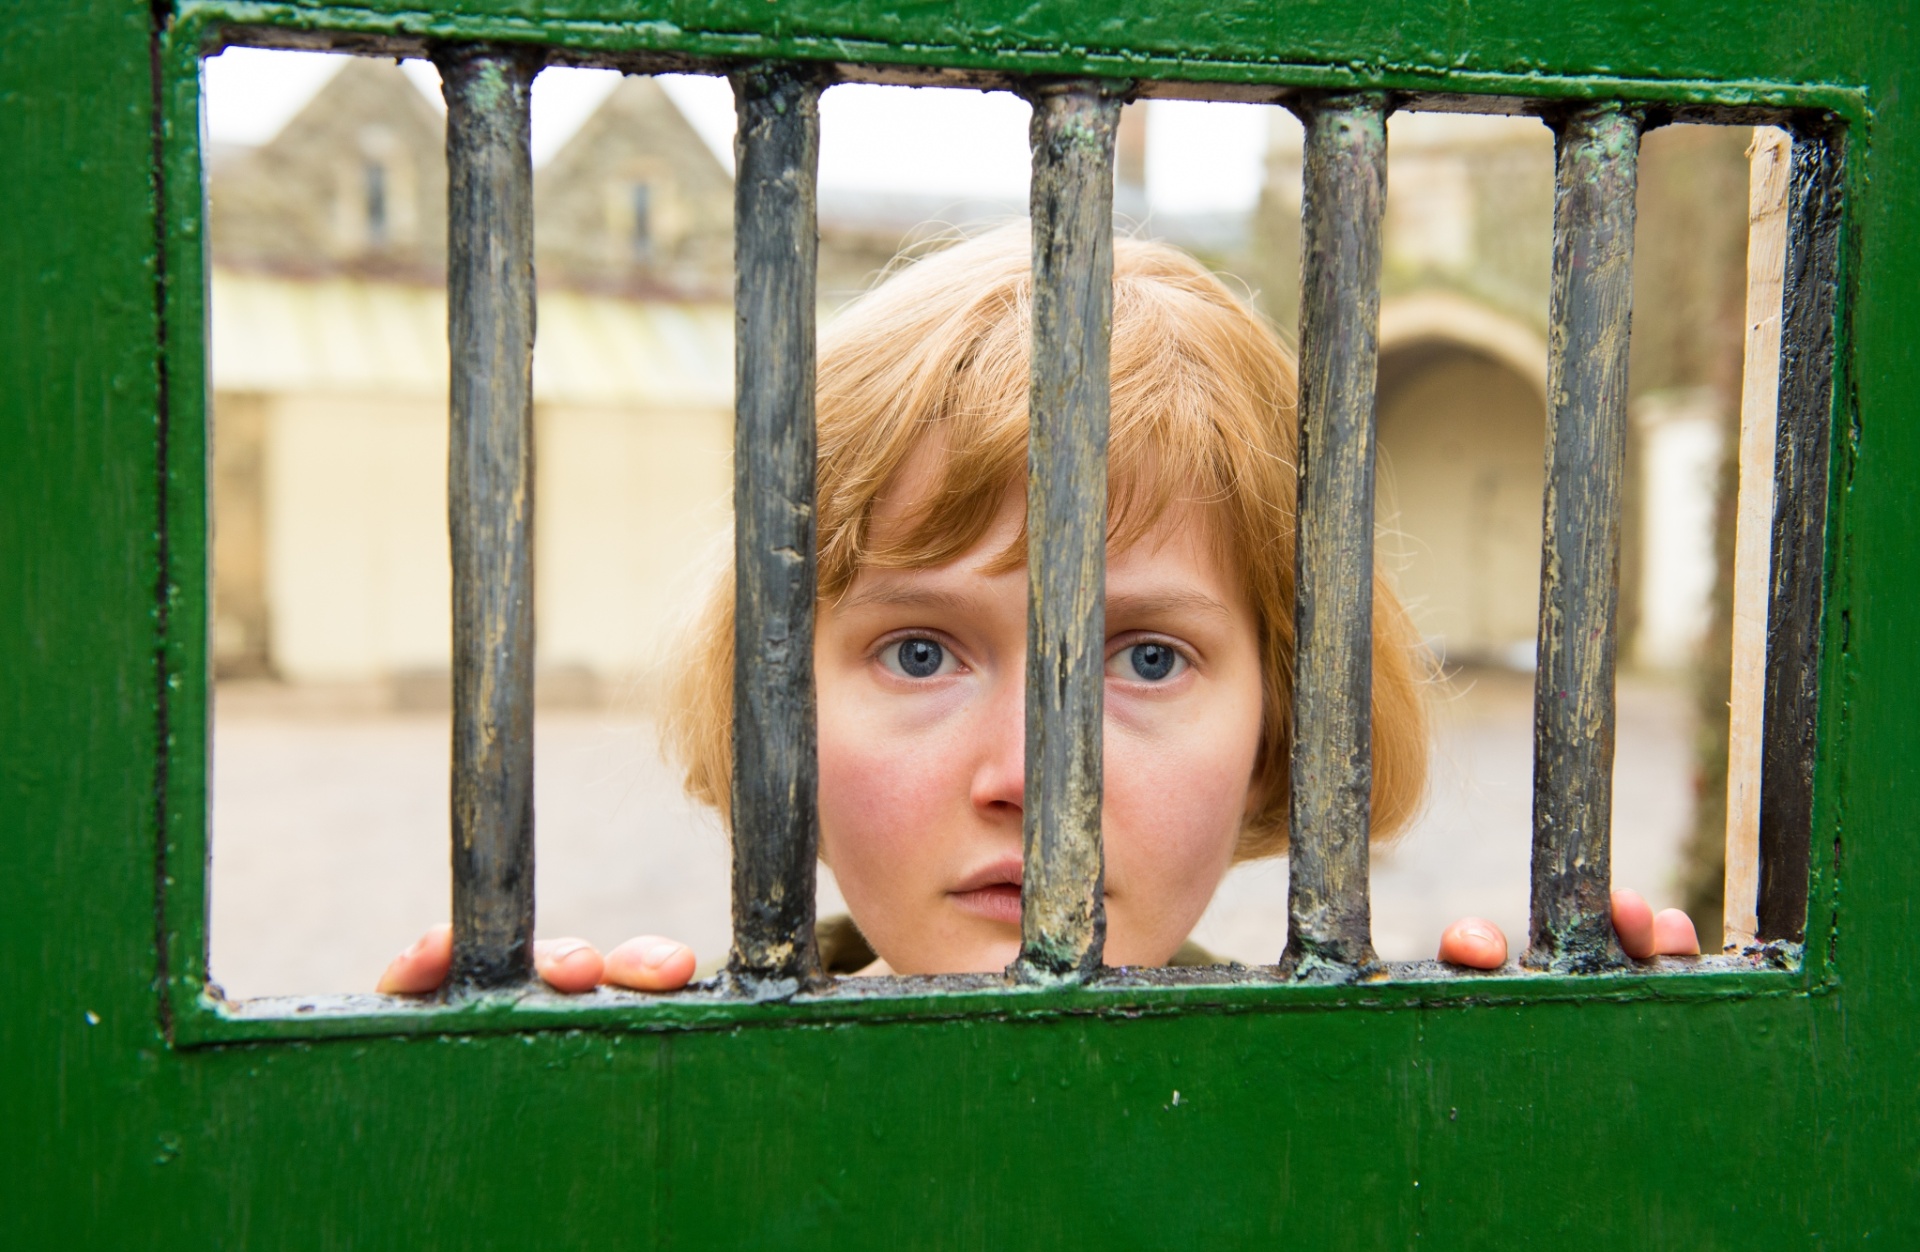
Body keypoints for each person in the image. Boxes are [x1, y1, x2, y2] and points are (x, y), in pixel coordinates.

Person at [380, 227, 1701, 996]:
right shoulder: (671, 1119)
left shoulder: (1377, 1115)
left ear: (1284, 722)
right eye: (916, 649)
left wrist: (1567, 1149)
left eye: (1146, 654)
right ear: (775, 704)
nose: (1032, 775)